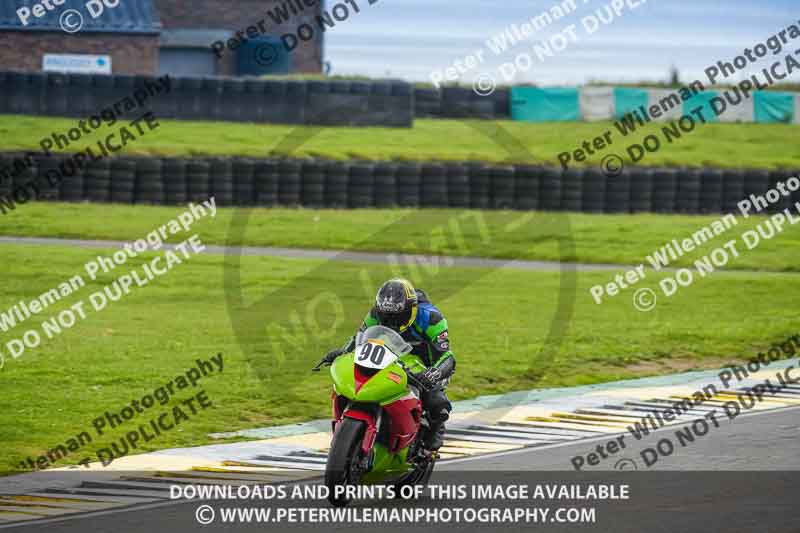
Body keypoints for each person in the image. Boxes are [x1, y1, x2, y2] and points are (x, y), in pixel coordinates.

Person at [322, 278, 455, 450]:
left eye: (398, 316)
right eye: (386, 315)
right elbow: (358, 337)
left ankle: (436, 429)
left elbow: (446, 355)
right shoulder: (375, 312)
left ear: (411, 310)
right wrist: (343, 351)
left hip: (423, 361)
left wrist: (434, 373)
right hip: (389, 351)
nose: (391, 320)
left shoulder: (431, 318)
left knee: (437, 403)